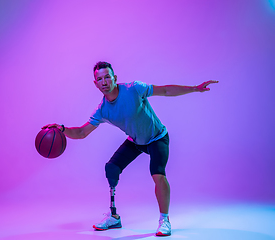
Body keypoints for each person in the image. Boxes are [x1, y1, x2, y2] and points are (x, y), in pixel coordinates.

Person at [43, 61, 218, 236]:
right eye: (99, 79)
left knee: (158, 174)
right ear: (95, 83)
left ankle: (164, 220)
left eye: (107, 77)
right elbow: (81, 132)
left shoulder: (134, 89)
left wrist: (195, 88)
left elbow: (164, 90)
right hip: (136, 141)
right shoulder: (103, 110)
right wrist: (62, 129)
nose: (104, 82)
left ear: (114, 78)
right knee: (111, 167)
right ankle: (114, 217)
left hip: (157, 137)